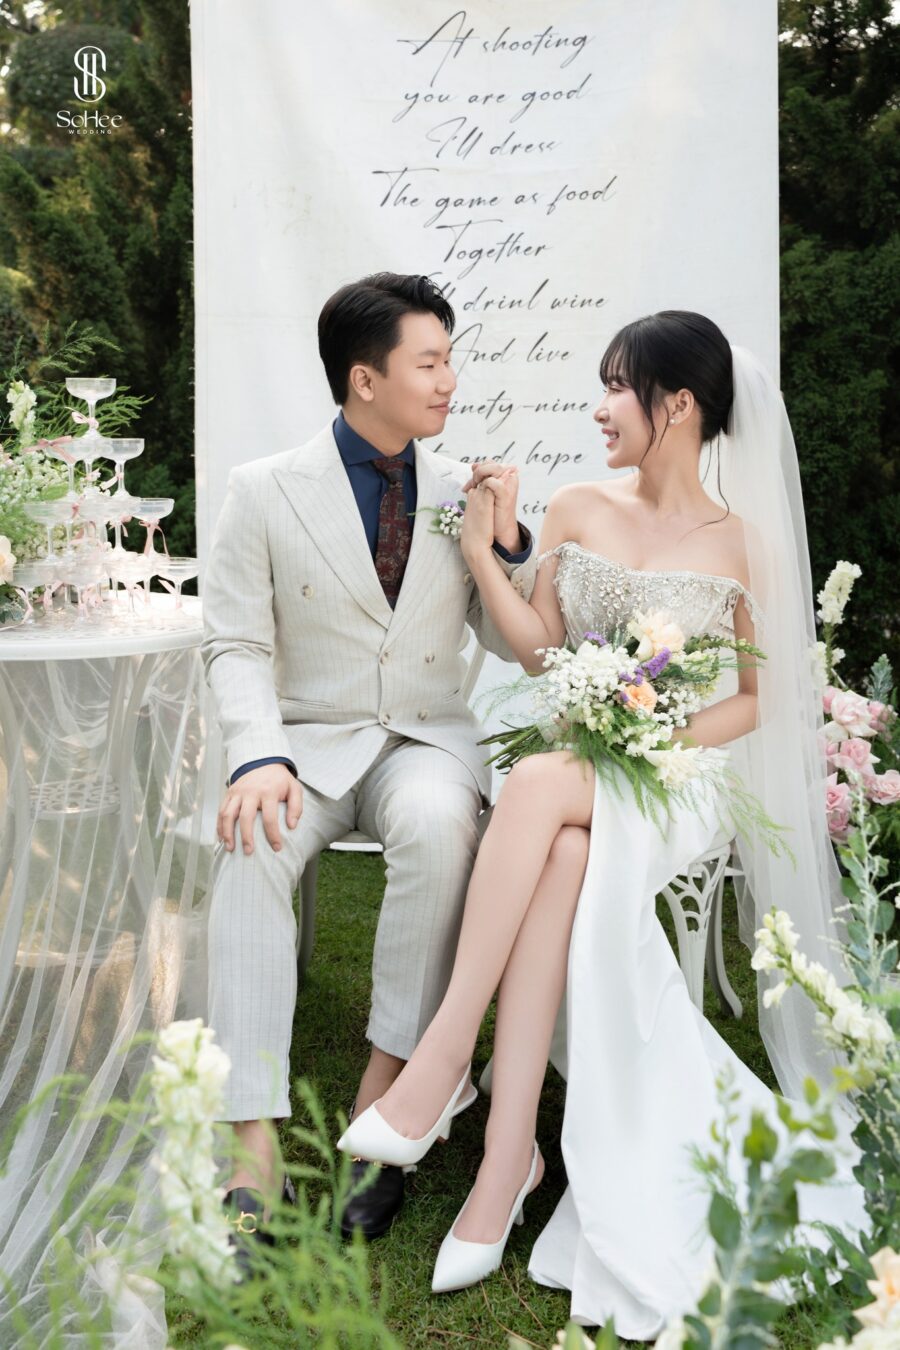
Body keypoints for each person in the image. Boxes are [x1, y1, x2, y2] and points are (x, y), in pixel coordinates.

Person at [338, 311, 866, 1335]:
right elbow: (540, 649)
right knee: (563, 847)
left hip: (681, 777)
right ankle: (507, 1161)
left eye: (618, 387)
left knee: (541, 786)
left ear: (680, 404)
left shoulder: (743, 544)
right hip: (589, 767)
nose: (599, 408)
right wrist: (484, 550)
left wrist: (654, 735)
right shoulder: (579, 505)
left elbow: (756, 700)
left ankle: (442, 1063)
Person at [200, 272, 557, 1251]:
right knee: (248, 847)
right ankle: (249, 1137)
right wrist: (256, 756)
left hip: (424, 741)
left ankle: (389, 1098)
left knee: (441, 828)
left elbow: (512, 640)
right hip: (304, 747)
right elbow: (235, 643)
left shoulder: (461, 494)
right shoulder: (263, 489)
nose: (449, 380)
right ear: (366, 379)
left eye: (450, 360)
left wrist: (507, 541)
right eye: (429, 362)